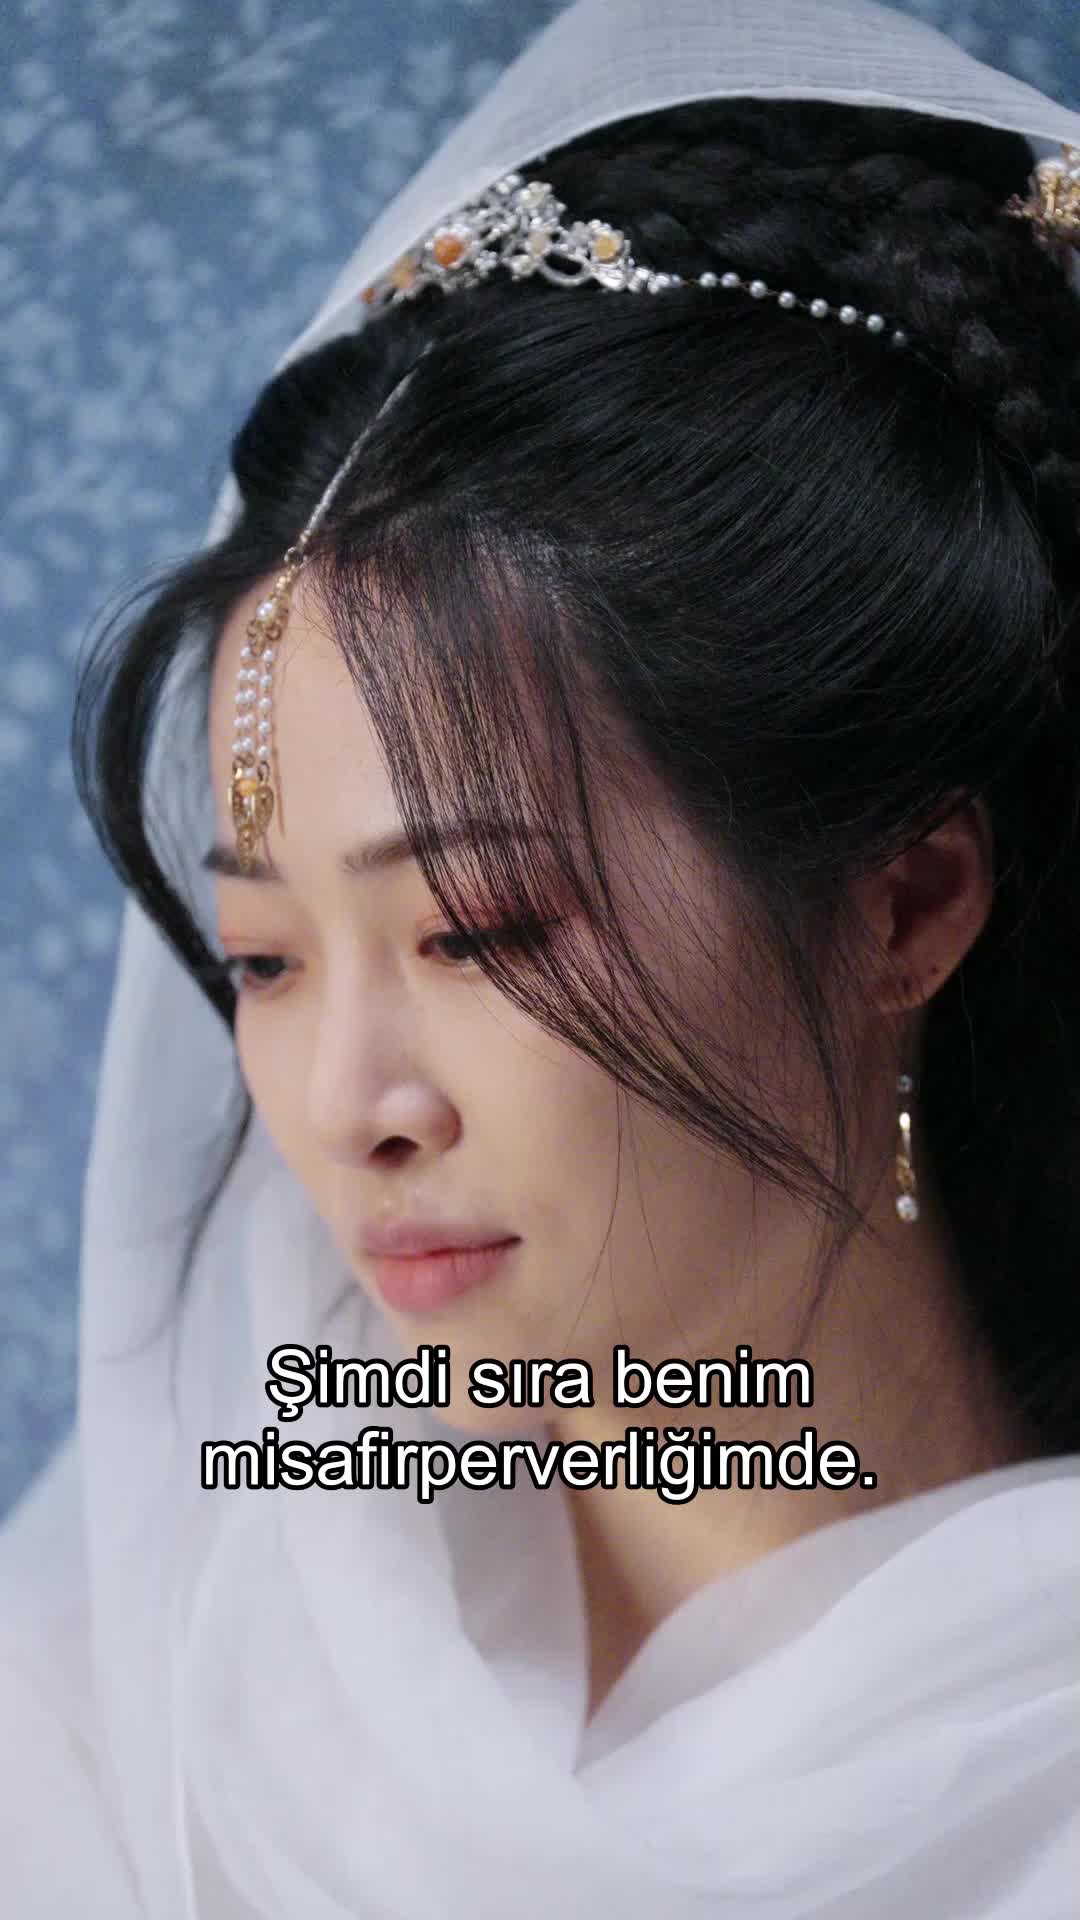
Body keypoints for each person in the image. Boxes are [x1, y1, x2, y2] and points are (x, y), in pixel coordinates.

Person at [2, 0, 1079, 1912]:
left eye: (475, 929)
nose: (351, 1109)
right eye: (264, 961)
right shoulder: (131, 1708)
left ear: (904, 905)